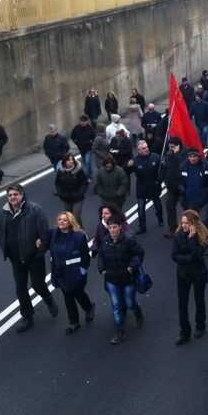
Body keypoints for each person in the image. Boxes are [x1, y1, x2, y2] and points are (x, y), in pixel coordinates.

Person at [0, 184, 59, 333]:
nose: (12, 197)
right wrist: (6, 249)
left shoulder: (35, 209)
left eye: (15, 194)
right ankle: (27, 317)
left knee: (38, 285)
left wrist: (39, 253)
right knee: (20, 288)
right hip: (15, 257)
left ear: (22, 195)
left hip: (33, 256)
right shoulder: (4, 212)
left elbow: (44, 233)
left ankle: (48, 299)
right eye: (10, 195)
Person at [98, 216, 145, 344]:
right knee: (117, 306)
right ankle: (120, 332)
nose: (112, 230)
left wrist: (132, 267)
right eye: (110, 227)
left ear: (120, 227)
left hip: (128, 278)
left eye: (115, 227)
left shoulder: (129, 240)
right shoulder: (106, 241)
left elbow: (140, 253)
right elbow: (101, 256)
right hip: (112, 279)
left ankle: (137, 310)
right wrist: (101, 269)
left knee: (129, 303)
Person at [49, 212, 96, 334]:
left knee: (78, 294)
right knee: (68, 297)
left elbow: (85, 256)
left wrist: (83, 271)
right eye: (60, 219)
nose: (61, 221)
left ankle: (89, 308)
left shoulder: (78, 236)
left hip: (75, 273)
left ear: (70, 222)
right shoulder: (53, 234)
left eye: (65, 220)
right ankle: (74, 322)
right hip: (61, 274)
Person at [171, 210, 208, 345]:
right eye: (182, 223)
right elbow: (174, 256)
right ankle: (184, 331)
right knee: (182, 304)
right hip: (183, 274)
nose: (184, 226)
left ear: (193, 224)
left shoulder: (201, 237)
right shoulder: (178, 236)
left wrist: (191, 238)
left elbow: (196, 254)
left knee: (199, 300)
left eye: (187, 223)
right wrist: (188, 259)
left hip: (198, 273)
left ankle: (200, 325)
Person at [126, 140, 163, 234]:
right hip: (141, 186)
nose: (146, 149)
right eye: (143, 148)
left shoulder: (156, 157)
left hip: (153, 184)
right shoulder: (135, 161)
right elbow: (125, 172)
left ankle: (160, 218)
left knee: (157, 204)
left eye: (146, 147)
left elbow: (163, 170)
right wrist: (127, 166)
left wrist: (159, 180)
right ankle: (142, 226)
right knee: (141, 208)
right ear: (139, 151)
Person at [177, 148, 208, 233]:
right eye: (190, 156)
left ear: (199, 156)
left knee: (204, 221)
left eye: (194, 156)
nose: (192, 158)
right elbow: (178, 181)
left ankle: (206, 237)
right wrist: (183, 190)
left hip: (203, 199)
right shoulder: (182, 167)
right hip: (189, 200)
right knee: (191, 221)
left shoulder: (207, 166)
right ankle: (194, 238)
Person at [160, 136, 185, 238]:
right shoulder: (168, 154)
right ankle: (173, 227)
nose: (171, 148)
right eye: (169, 146)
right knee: (169, 205)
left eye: (173, 147)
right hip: (171, 186)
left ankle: (187, 227)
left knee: (186, 208)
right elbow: (166, 167)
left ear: (178, 146)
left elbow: (183, 165)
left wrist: (177, 154)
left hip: (182, 186)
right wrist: (165, 180)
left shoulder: (185, 153)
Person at [55, 153, 88, 225]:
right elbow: (57, 183)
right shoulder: (60, 172)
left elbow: (84, 183)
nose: (71, 161)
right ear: (64, 161)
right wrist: (60, 193)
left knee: (76, 217)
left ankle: (81, 232)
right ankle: (73, 233)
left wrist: (80, 192)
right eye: (68, 160)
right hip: (66, 198)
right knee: (69, 218)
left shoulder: (79, 171)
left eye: (72, 159)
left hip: (77, 198)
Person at [70, 115, 96, 181]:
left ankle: (88, 176)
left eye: (84, 121)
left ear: (87, 121)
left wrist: (91, 142)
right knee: (84, 162)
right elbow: (72, 136)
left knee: (88, 162)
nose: (82, 123)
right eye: (81, 121)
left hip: (89, 148)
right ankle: (89, 172)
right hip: (81, 148)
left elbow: (94, 137)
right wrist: (76, 142)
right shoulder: (76, 128)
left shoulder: (90, 128)